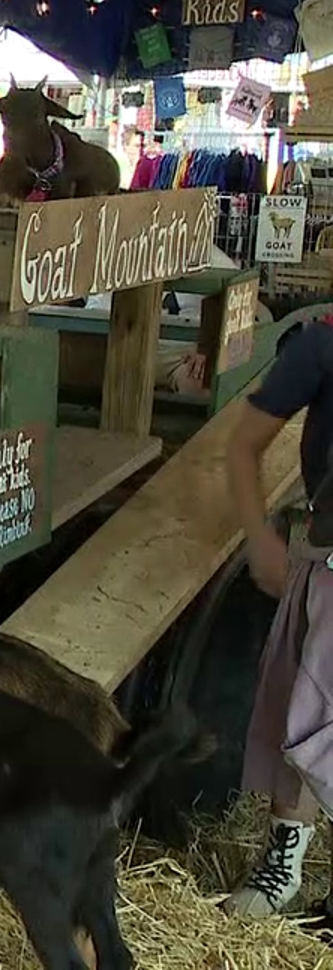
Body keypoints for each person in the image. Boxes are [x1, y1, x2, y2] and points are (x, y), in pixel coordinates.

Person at [225, 318, 333, 918]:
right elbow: (243, 445)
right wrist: (260, 538)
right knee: (306, 712)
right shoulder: (323, 343)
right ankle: (283, 868)